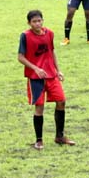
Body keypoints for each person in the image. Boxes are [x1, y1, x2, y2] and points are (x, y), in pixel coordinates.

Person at [17, 9, 74, 149]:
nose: (37, 24)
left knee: (61, 101)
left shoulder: (49, 33)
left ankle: (59, 137)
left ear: (43, 20)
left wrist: (58, 70)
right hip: (36, 78)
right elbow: (20, 57)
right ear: (29, 23)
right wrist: (35, 68)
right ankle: (39, 140)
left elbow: (52, 51)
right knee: (39, 107)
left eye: (39, 21)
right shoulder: (25, 36)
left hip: (51, 75)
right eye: (34, 22)